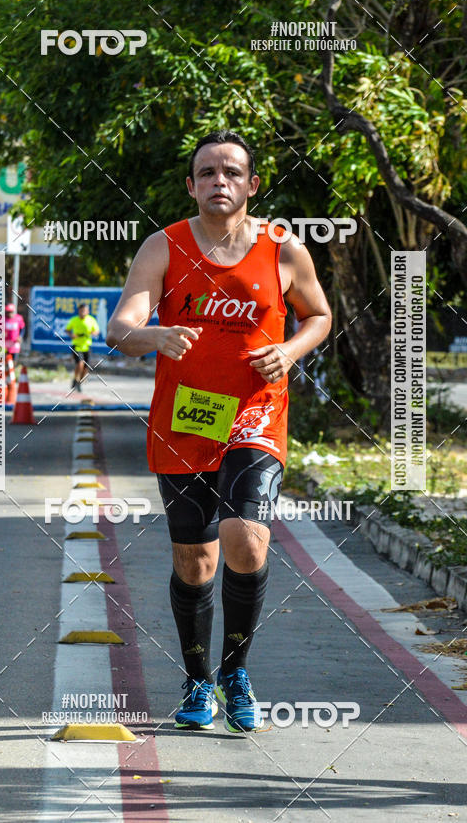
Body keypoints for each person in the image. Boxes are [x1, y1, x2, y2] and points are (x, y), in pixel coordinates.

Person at [106, 130, 331, 733]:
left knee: (245, 539)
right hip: (183, 419)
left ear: (252, 185)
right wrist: (153, 334)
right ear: (191, 185)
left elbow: (319, 315)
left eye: (231, 172)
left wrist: (289, 351)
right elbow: (120, 328)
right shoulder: (164, 247)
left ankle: (236, 671)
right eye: (207, 172)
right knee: (194, 559)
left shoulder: (283, 248)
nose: (219, 181)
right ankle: (198, 677)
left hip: (256, 413)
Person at [65, 303, 99, 392]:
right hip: (77, 346)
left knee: (86, 368)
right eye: (81, 311)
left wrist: (92, 333)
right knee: (80, 363)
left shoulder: (91, 320)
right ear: (79, 311)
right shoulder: (74, 320)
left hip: (87, 346)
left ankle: (78, 382)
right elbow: (67, 330)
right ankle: (76, 379)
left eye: (85, 311)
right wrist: (72, 335)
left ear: (88, 311)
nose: (83, 312)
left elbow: (96, 331)